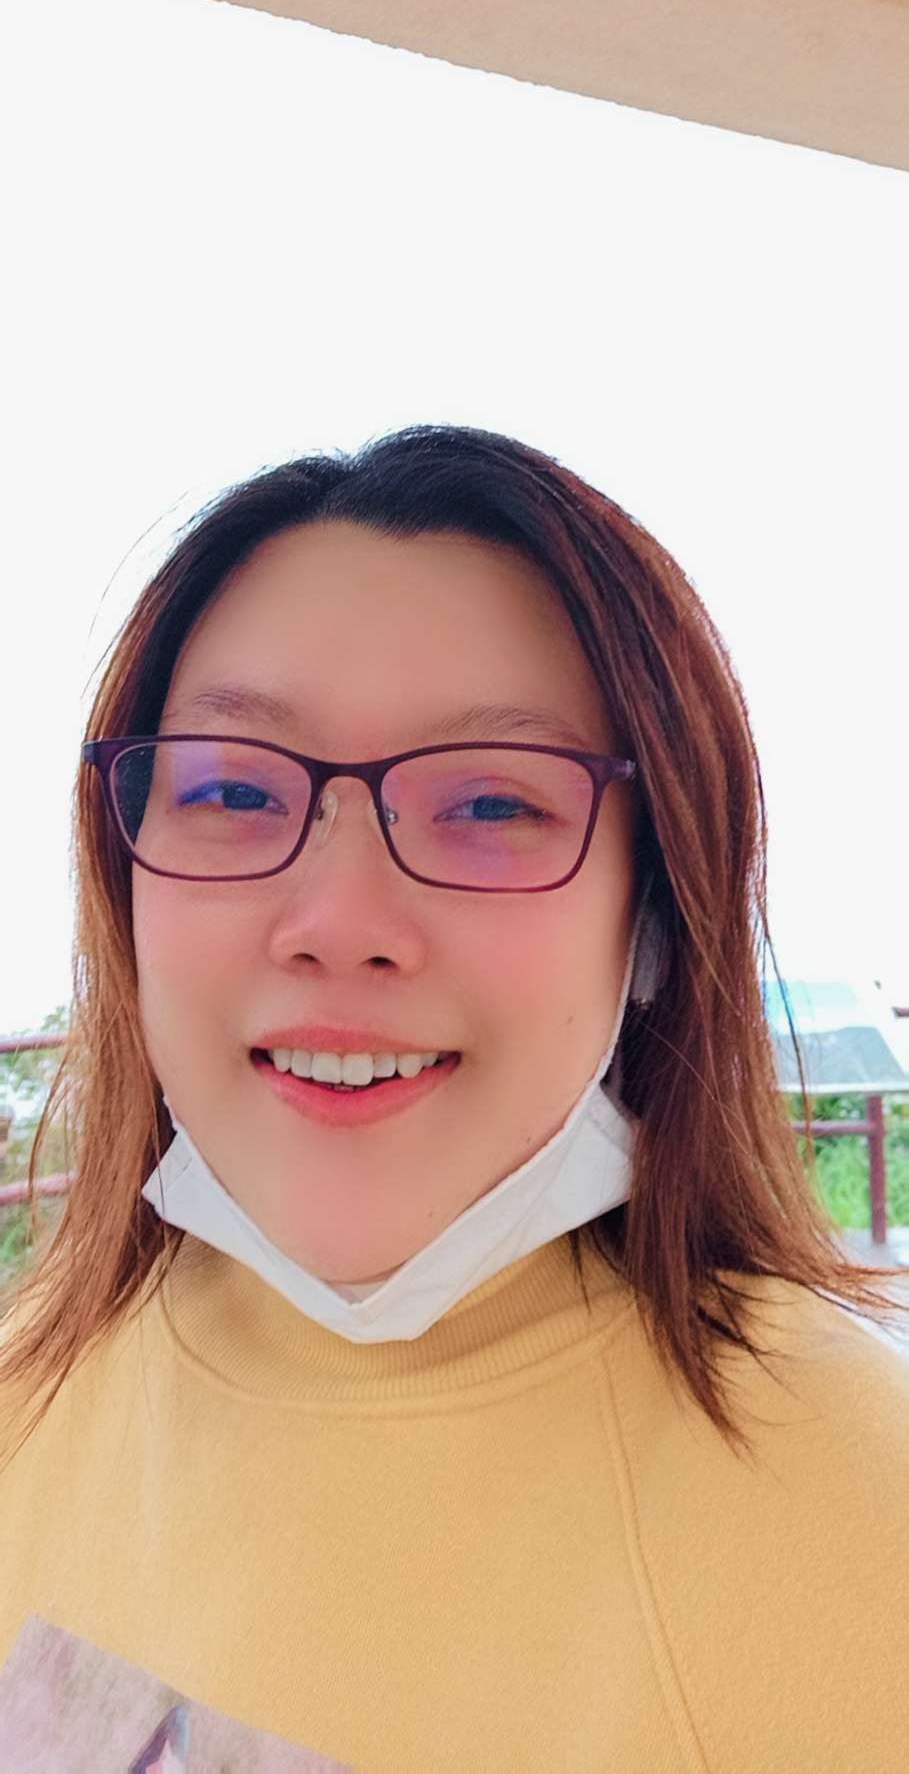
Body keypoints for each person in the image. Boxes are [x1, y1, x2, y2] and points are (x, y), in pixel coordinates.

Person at [1, 422, 907, 1770]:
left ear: (655, 922)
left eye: (489, 806)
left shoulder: (857, 1525)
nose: (340, 922)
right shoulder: (26, 1384)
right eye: (235, 788)